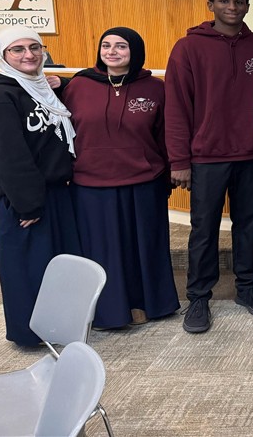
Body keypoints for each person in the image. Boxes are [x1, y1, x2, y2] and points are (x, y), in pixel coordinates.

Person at [165, 0, 253, 334]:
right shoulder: (188, 48)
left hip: (250, 155)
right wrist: (179, 161)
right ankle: (199, 297)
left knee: (248, 224)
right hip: (206, 157)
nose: (232, 7)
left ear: (247, 6)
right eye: (224, 1)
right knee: (204, 228)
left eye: (239, 2)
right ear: (210, 4)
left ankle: (247, 288)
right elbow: (176, 107)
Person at [61, 27, 180, 329]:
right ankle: (107, 312)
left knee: (145, 248)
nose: (112, 51)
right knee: (102, 251)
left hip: (143, 181)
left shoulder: (155, 88)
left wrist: (170, 174)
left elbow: (165, 135)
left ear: (135, 51)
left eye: (121, 46)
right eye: (106, 45)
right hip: (90, 184)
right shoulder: (78, 86)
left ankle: (148, 304)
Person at [0, 28, 81, 346]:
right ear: (2, 55)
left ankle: (59, 327)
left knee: (55, 267)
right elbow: (6, 157)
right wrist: (28, 203)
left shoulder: (38, 87)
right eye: (17, 49)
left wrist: (64, 83)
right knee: (28, 270)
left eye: (35, 47)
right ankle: (31, 334)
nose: (29, 55)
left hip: (52, 193)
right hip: (20, 199)